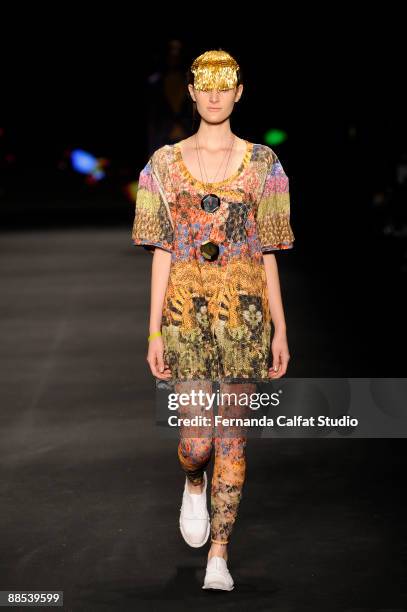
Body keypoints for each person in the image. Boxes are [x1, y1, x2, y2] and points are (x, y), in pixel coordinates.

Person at [131, 49, 295, 591]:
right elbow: (161, 248)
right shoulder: (163, 164)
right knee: (197, 442)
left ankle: (219, 556)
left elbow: (269, 249)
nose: (216, 95)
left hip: (245, 314)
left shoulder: (265, 166)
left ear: (240, 92)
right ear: (194, 92)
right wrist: (153, 329)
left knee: (232, 440)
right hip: (184, 314)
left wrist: (280, 329)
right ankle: (193, 481)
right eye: (206, 85)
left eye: (227, 86)